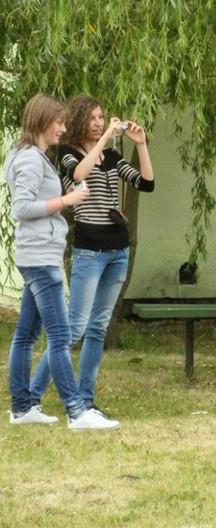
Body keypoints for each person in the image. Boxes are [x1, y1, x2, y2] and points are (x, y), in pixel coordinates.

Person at [29, 95, 154, 415]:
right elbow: (80, 176)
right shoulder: (67, 154)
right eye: (95, 118)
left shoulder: (112, 156)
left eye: (103, 118)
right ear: (81, 120)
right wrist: (104, 142)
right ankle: (31, 397)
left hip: (117, 250)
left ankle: (85, 400)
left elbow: (146, 183)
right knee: (73, 329)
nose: (100, 123)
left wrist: (140, 145)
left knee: (97, 328)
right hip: (89, 250)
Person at [5, 94, 118, 429]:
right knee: (59, 336)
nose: (64, 129)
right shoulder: (29, 160)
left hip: (36, 255)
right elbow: (22, 209)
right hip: (41, 258)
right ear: (43, 121)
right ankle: (76, 410)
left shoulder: (27, 155)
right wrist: (67, 199)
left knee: (25, 335)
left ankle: (23, 409)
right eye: (60, 123)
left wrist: (62, 200)